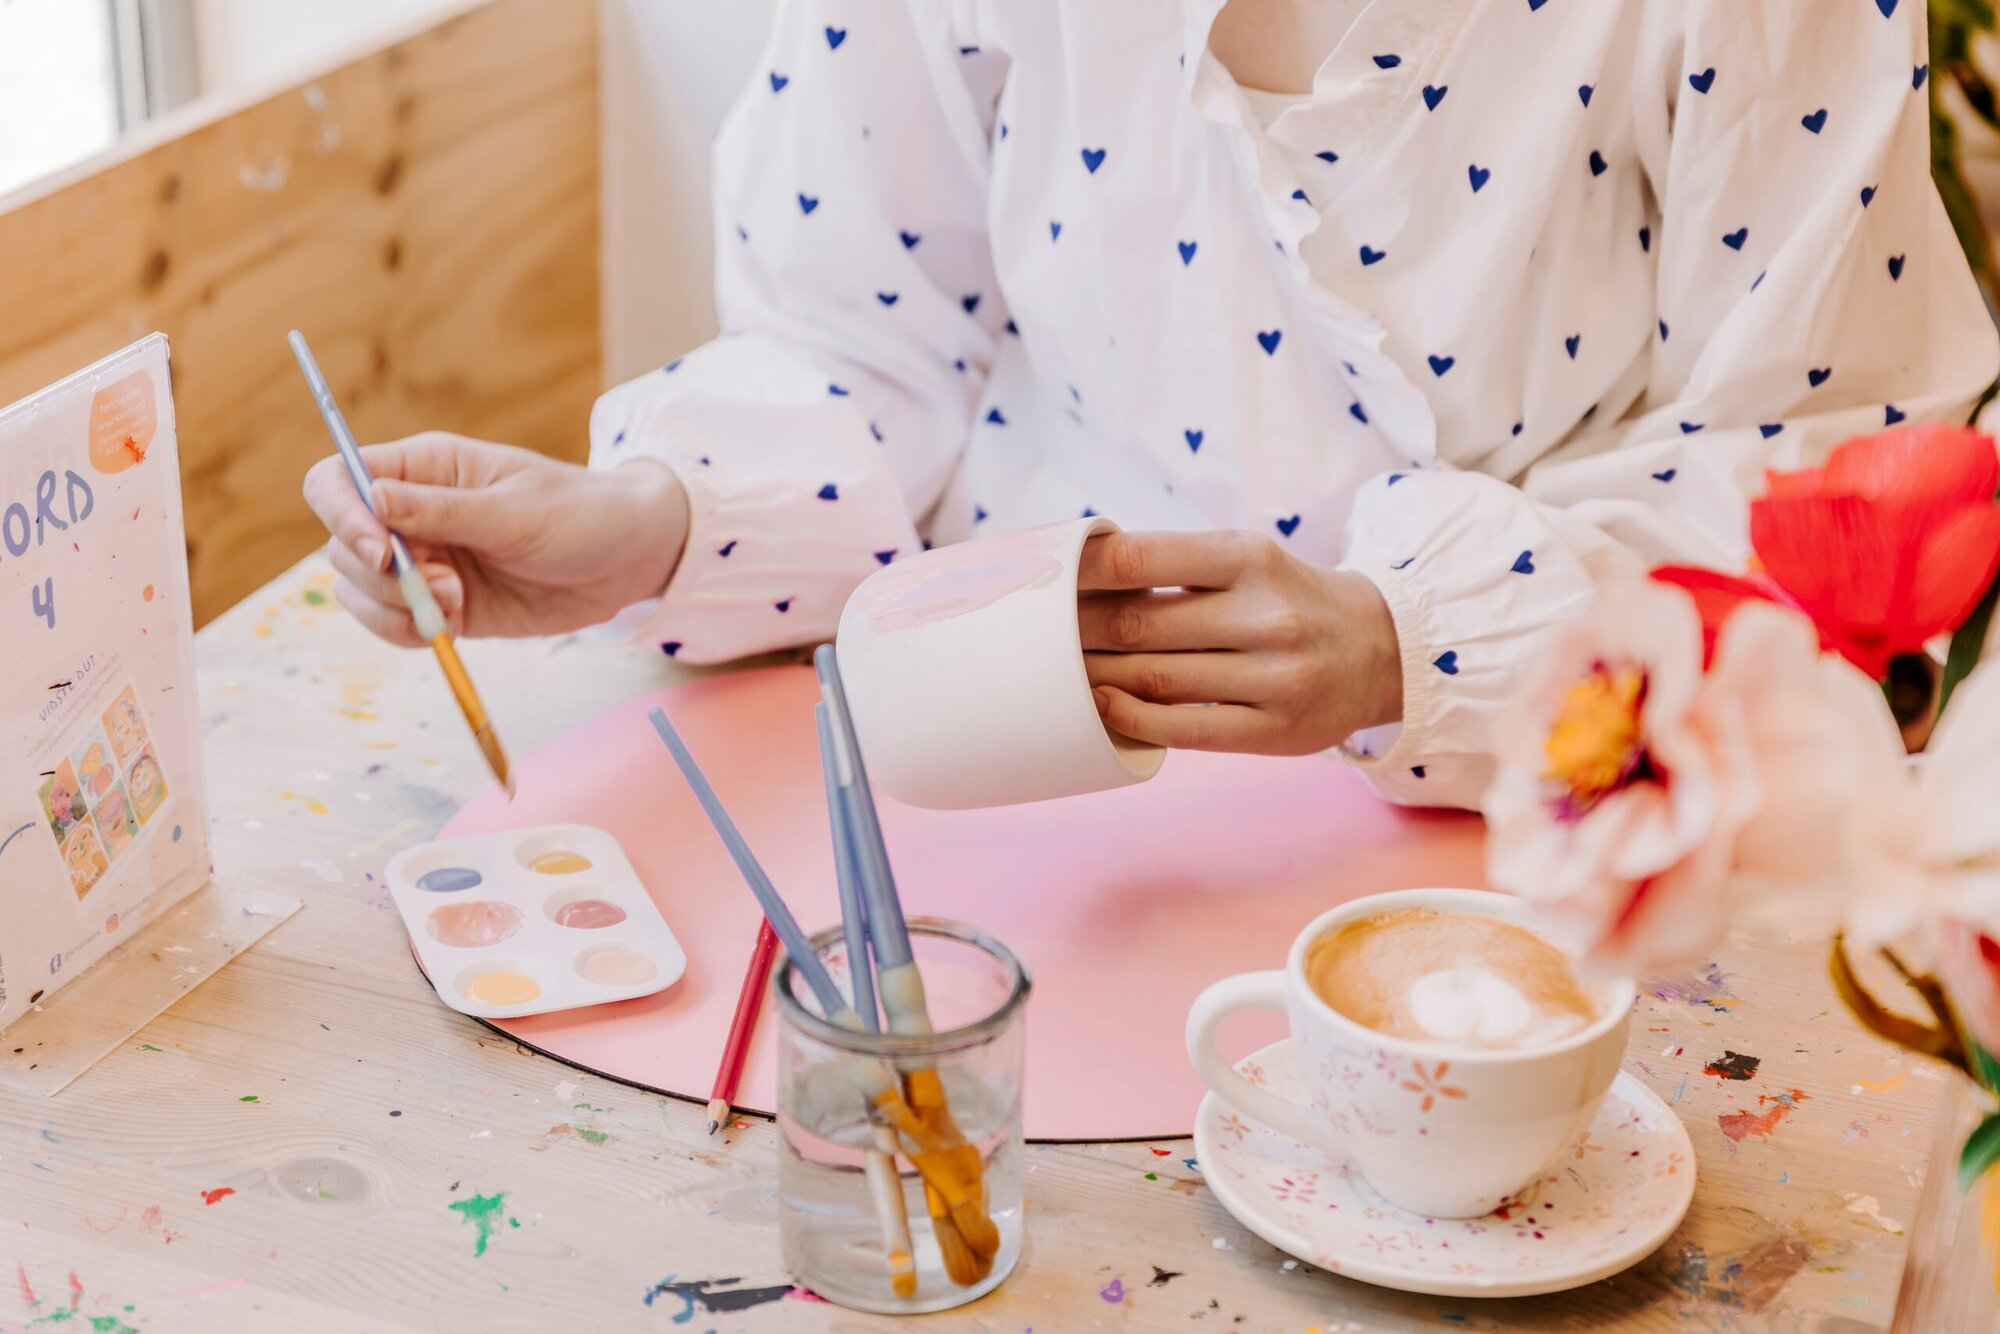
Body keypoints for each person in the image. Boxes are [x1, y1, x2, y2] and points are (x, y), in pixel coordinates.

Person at [305, 0, 1997, 810]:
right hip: (1035, 800)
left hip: (1563, 839)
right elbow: (869, 342)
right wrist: (651, 524)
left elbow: (1839, 482)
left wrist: (1424, 644)